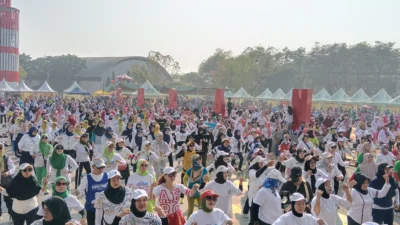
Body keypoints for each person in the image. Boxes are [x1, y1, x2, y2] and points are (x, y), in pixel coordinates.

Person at [75, 158, 108, 225]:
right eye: (99, 167)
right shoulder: (87, 178)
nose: (101, 169)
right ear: (93, 167)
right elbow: (79, 192)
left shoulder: (107, 176)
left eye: (102, 167)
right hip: (91, 209)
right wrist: (78, 193)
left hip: (104, 208)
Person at [183, 154, 209, 218]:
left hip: (200, 191)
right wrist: (186, 188)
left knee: (201, 208)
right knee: (190, 208)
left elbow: (208, 180)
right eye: (197, 159)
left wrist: (206, 188)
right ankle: (189, 222)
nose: (199, 160)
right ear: (194, 160)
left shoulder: (204, 170)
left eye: (200, 159)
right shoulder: (190, 170)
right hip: (191, 191)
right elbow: (184, 179)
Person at [0, 142, 14, 220]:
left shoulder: (6, 158)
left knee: (8, 199)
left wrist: (8, 173)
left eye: (0, 148)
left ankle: (11, 214)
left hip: (5, 182)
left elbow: (13, 167)